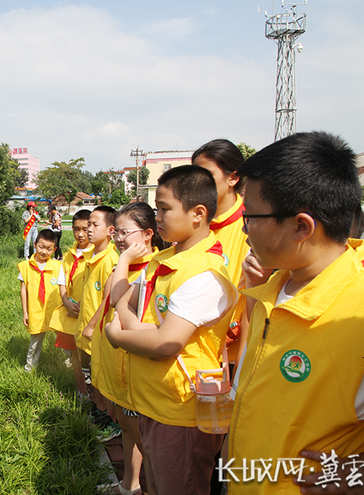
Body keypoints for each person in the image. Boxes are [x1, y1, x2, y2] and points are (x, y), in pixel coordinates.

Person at [227, 132, 364, 494]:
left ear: (301, 226)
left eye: (251, 217)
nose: (243, 229)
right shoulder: (273, 293)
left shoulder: (363, 313)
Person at [104, 165, 237, 495]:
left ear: (197, 213)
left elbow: (165, 342)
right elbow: (122, 301)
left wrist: (117, 335)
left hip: (181, 411)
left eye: (164, 209)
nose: (157, 217)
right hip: (155, 401)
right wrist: (131, 320)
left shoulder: (204, 274)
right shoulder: (163, 260)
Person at [94, 202, 163, 494]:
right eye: (118, 232)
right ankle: (129, 485)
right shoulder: (123, 265)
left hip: (136, 365)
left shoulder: (153, 269)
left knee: (143, 437)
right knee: (127, 428)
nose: (120, 238)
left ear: (148, 234)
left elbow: (118, 305)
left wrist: (122, 263)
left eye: (126, 232)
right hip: (117, 362)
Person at [191, 139, 249, 366]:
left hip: (233, 354)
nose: (197, 185)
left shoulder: (252, 226)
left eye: (205, 176)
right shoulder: (192, 222)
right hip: (191, 344)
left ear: (233, 178)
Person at [77, 206, 118, 438]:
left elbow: (108, 298)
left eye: (94, 225)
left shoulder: (111, 259)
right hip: (85, 332)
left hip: (97, 334)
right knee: (89, 378)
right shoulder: (91, 255)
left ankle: (109, 421)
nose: (89, 229)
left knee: (100, 381)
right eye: (87, 225)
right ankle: (98, 412)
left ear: (110, 230)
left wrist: (92, 325)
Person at [48, 210, 92, 395]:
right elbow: (62, 281)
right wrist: (65, 301)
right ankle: (82, 390)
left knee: (89, 354)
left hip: (89, 312)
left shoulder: (97, 253)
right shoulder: (69, 254)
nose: (80, 234)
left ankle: (95, 394)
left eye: (85, 229)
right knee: (75, 353)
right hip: (72, 310)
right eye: (76, 229)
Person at [18, 229, 64, 372]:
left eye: (49, 249)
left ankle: (68, 362)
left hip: (55, 309)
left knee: (63, 337)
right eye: (41, 247)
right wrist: (25, 312)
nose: (44, 251)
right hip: (35, 309)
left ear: (54, 249)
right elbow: (23, 290)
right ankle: (30, 368)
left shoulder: (58, 266)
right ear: (35, 244)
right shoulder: (25, 267)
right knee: (35, 342)